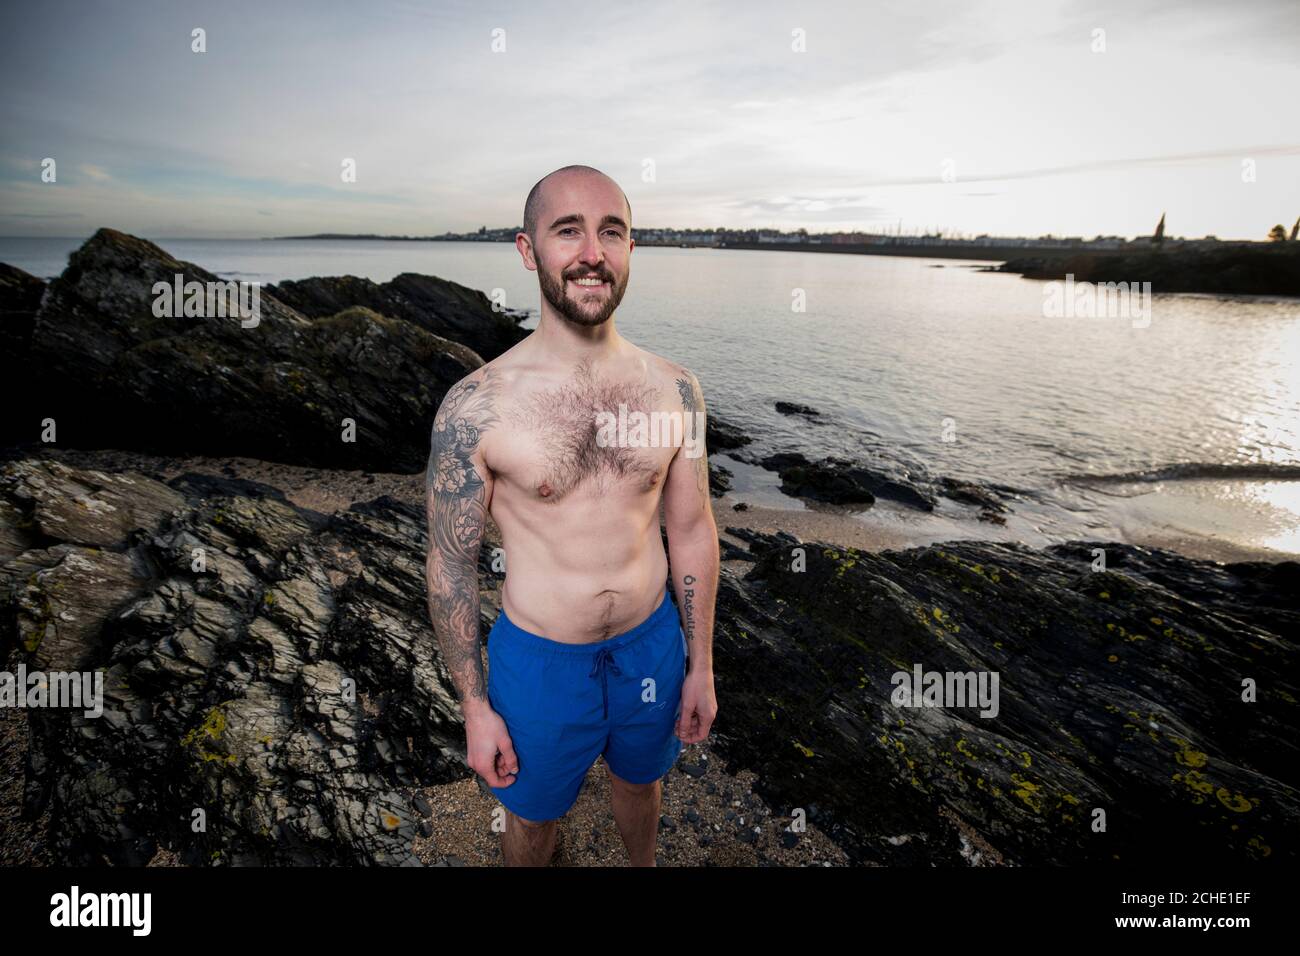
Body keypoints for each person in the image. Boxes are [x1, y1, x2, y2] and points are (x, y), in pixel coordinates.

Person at [424, 164, 719, 866]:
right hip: (540, 662)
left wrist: (701, 664)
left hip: (653, 646)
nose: (592, 251)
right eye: (568, 231)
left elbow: (692, 528)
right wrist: (474, 706)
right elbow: (450, 562)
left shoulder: (680, 390)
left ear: (629, 249)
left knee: (641, 785)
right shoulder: (475, 407)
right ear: (529, 251)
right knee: (530, 820)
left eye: (610, 231)